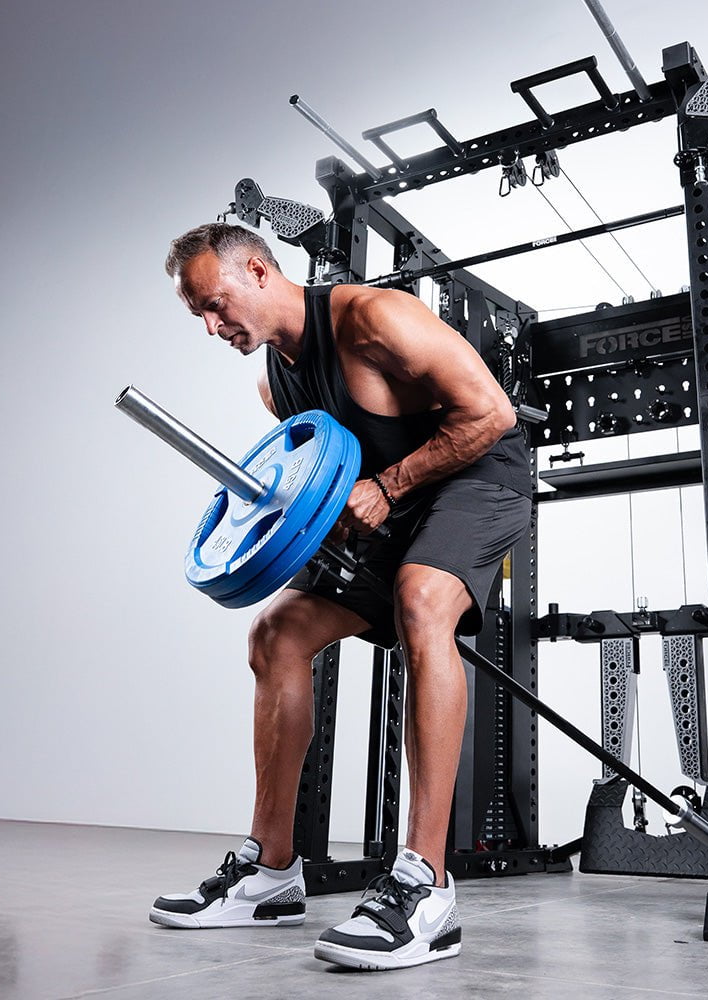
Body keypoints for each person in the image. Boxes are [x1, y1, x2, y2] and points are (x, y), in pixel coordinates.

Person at [149, 223, 532, 971]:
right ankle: (271, 873)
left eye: (215, 304)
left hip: (481, 475)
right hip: (395, 502)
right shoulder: (275, 382)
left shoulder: (374, 318)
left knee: (421, 599)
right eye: (198, 314)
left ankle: (426, 885)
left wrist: (388, 486)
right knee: (276, 635)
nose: (211, 327)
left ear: (258, 271)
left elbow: (493, 415)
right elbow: (327, 478)